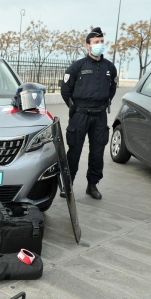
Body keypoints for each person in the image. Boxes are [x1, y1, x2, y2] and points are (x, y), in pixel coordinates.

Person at [60, 27, 117, 200]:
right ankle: (68, 185)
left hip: (99, 115)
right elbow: (65, 90)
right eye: (96, 42)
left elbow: (112, 90)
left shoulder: (110, 67)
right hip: (80, 115)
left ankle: (92, 185)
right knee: (74, 151)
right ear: (87, 46)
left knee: (97, 152)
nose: (99, 45)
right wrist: (74, 108)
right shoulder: (77, 67)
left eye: (101, 42)